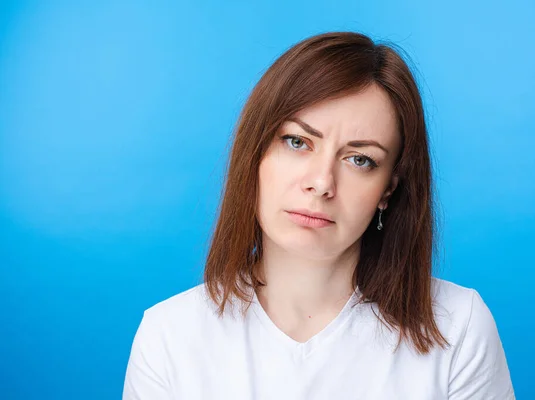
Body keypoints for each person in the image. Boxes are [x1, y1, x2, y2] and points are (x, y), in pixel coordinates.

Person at [122, 31, 515, 399]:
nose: (322, 182)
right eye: (297, 142)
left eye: (360, 159)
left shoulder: (457, 326)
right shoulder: (169, 336)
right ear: (255, 155)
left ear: (388, 190)